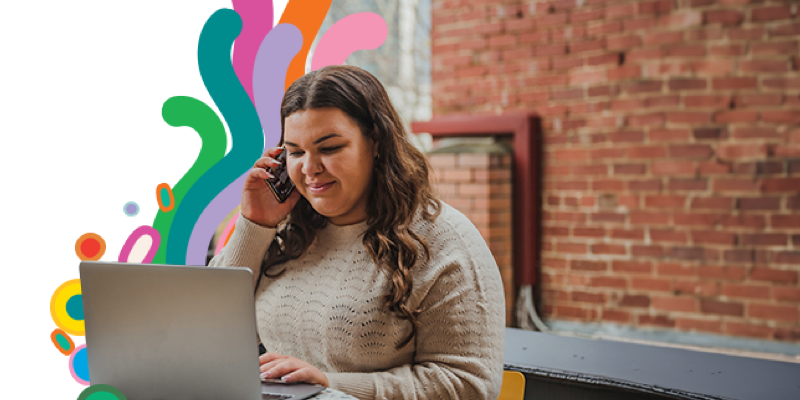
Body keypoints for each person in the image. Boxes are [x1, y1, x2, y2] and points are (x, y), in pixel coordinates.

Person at [208, 65, 505, 400]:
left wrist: (331, 386)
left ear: (376, 142)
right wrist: (256, 224)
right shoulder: (289, 230)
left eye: (330, 148)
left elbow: (469, 385)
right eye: (295, 151)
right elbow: (208, 323)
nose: (309, 169)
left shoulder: (445, 241)